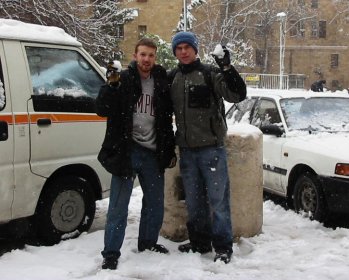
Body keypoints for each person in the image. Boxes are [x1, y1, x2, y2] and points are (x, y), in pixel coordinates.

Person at [96, 38, 176, 270]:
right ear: (135, 55)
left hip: (152, 152)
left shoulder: (160, 80)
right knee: (118, 207)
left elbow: (165, 120)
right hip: (127, 151)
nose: (146, 59)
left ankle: (148, 242)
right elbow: (102, 109)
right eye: (143, 54)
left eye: (151, 55)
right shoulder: (123, 79)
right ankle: (111, 252)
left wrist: (168, 150)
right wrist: (109, 85)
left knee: (155, 203)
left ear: (155, 57)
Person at [169, 31, 246, 264]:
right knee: (194, 202)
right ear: (175, 52)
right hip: (187, 151)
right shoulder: (172, 77)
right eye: (179, 48)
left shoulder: (210, 74)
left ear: (195, 49)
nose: (183, 51)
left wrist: (227, 68)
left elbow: (237, 94)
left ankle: (223, 247)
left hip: (212, 150)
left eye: (187, 47)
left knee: (218, 201)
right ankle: (199, 242)